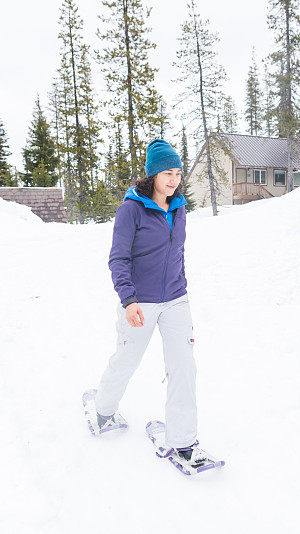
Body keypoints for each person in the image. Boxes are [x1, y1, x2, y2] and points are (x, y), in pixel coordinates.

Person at [92, 138, 206, 464]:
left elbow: (178, 254)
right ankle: (103, 410)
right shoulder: (131, 209)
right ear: (153, 174)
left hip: (175, 300)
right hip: (139, 302)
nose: (173, 179)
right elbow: (118, 259)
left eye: (178, 173)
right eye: (167, 172)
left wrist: (180, 288)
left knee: (184, 368)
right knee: (127, 359)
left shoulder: (180, 208)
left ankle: (183, 443)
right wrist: (128, 300)